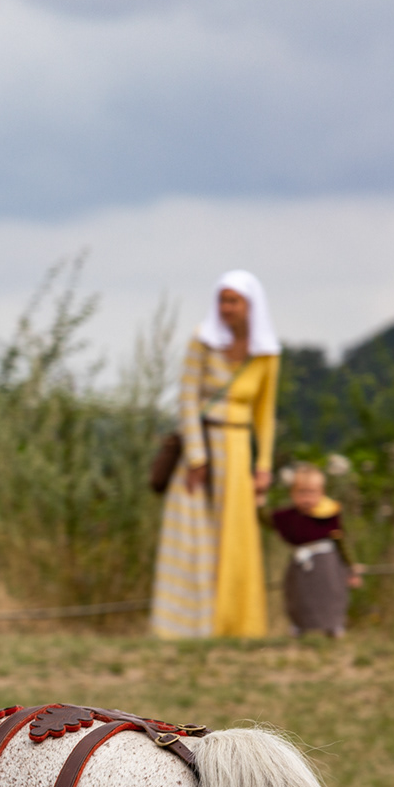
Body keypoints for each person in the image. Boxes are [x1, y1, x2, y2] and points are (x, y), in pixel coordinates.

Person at [149, 270, 281, 639]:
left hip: (237, 452)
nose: (226, 308)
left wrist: (264, 464)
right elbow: (187, 399)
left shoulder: (266, 353)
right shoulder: (202, 340)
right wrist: (197, 457)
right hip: (202, 449)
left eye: (233, 300)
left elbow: (265, 413)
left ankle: (237, 625)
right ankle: (186, 627)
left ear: (249, 305)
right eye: (222, 300)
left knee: (236, 541)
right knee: (194, 538)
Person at [267, 463, 362, 637]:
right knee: (299, 594)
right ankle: (299, 626)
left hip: (327, 564)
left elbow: (341, 543)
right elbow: (267, 520)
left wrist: (351, 568)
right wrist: (259, 499)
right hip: (301, 562)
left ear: (321, 492)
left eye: (311, 492)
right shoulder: (287, 516)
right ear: (293, 493)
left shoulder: (329, 514)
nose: (306, 497)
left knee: (331, 593)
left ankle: (334, 626)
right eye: (301, 492)